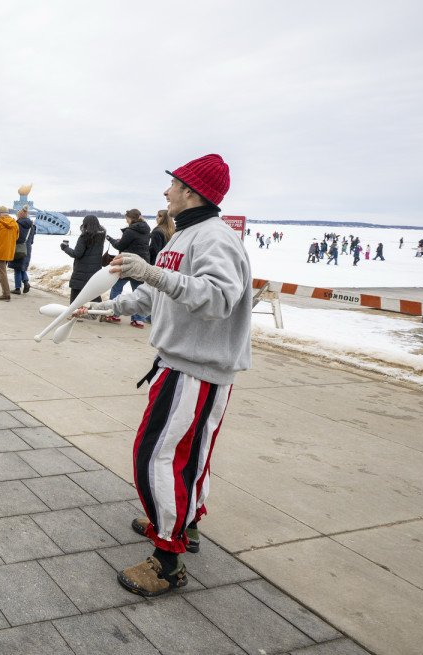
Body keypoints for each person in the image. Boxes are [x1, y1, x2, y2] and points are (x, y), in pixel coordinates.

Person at [77, 154, 251, 598]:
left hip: (196, 371)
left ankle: (168, 559)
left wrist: (149, 270)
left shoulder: (215, 238)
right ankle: (181, 524)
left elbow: (216, 298)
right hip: (180, 366)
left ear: (191, 191)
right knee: (184, 457)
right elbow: (157, 297)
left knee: (156, 456)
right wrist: (101, 307)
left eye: (172, 185)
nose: (166, 192)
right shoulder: (186, 236)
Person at [106, 209, 152, 328]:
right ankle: (138, 319)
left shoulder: (131, 231)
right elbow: (137, 244)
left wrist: (110, 239)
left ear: (131, 218)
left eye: (127, 218)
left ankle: (113, 314)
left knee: (117, 288)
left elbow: (119, 246)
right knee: (139, 292)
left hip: (128, 264)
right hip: (141, 264)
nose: (126, 221)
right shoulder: (146, 230)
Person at [61, 216, 107, 303]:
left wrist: (65, 248)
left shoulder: (84, 237)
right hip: (95, 269)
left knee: (76, 291)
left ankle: (73, 312)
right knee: (93, 292)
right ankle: (99, 312)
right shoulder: (101, 236)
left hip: (82, 270)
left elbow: (77, 254)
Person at [11, 207, 35, 295]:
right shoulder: (31, 225)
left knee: (17, 268)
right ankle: (25, 282)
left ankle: (17, 288)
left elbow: (15, 237)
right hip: (27, 248)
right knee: (22, 267)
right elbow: (32, 239)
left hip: (18, 248)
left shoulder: (17, 224)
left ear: (19, 216)